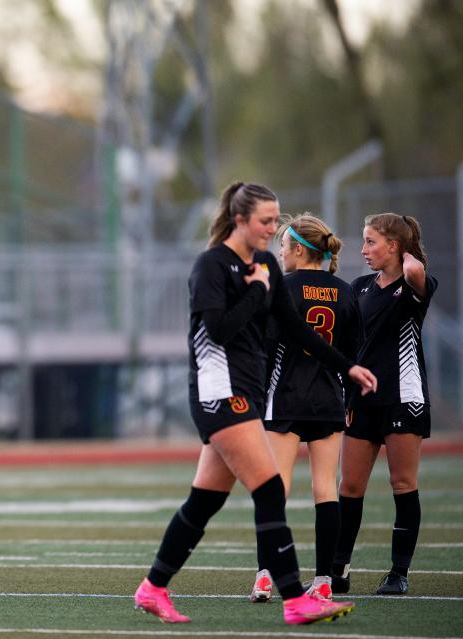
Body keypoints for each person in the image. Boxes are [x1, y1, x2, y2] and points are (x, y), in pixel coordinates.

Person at [133, 182, 376, 626]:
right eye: (265, 220)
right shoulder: (211, 266)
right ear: (240, 219)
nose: (272, 229)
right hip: (217, 392)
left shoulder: (264, 263)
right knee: (268, 489)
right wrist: (256, 291)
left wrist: (347, 368)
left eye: (275, 220)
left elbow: (297, 329)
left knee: (203, 501)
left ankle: (152, 588)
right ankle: (294, 598)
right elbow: (219, 330)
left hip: (246, 391)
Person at [248, 214, 362, 604]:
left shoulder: (282, 287)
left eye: (283, 244)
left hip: (285, 398)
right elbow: (352, 354)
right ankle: (325, 580)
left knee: (273, 490)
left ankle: (266, 576)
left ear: (299, 249)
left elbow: (266, 349)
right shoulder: (346, 292)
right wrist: (350, 400)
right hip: (329, 399)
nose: (279, 251)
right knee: (325, 490)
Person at [331, 214, 436, 596]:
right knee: (350, 486)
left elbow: (416, 275)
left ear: (393, 246)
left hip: (402, 399)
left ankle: (398, 573)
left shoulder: (414, 284)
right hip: (362, 400)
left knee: (402, 483)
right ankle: (338, 571)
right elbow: (348, 346)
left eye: (371, 242)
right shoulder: (359, 287)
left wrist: (409, 258)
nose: (363, 250)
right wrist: (346, 394)